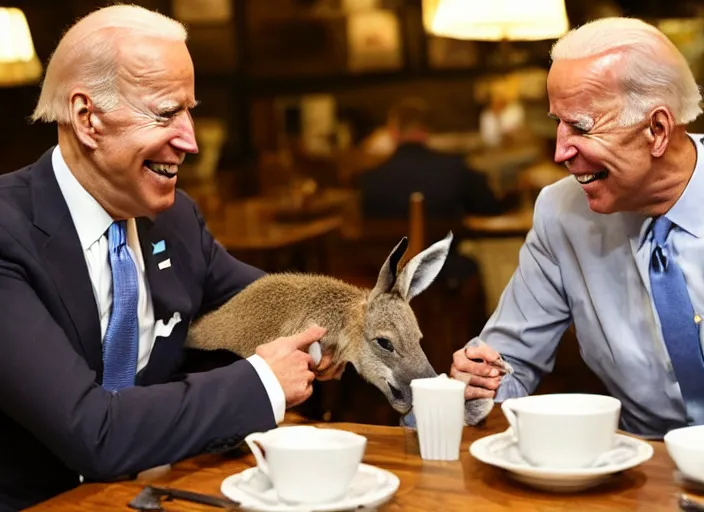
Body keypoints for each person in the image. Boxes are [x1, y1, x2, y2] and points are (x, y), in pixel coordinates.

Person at [0, 5, 339, 510]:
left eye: (190, 110)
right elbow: (95, 432)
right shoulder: (6, 232)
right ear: (87, 117)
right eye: (165, 113)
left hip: (165, 491)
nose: (191, 140)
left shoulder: (177, 219)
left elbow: (276, 307)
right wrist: (263, 380)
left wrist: (349, 334)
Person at [450, 17, 704, 439]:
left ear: (657, 130)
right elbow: (509, 361)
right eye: (557, 122)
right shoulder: (561, 211)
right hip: (642, 473)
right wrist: (478, 383)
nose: (559, 151)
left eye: (580, 127)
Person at [359, 97, 501, 219]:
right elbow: (490, 210)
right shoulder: (455, 170)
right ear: (428, 130)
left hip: (392, 251)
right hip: (446, 251)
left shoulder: (370, 181)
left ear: (392, 132)